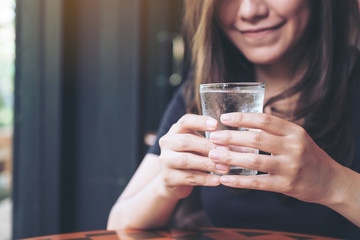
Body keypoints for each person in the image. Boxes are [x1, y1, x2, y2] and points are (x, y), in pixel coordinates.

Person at [107, 0, 360, 238]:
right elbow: (118, 225)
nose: (250, 11)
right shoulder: (203, 89)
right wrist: (165, 186)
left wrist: (331, 182)